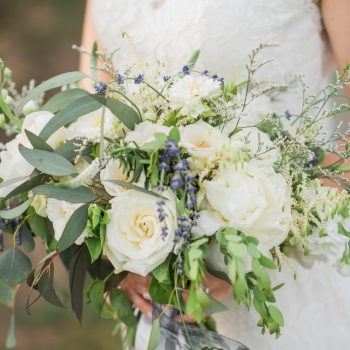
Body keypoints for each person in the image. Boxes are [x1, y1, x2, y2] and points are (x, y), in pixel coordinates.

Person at [80, 1, 350, 349]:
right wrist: (123, 251)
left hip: (287, 270)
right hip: (160, 291)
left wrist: (259, 246)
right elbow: (94, 119)